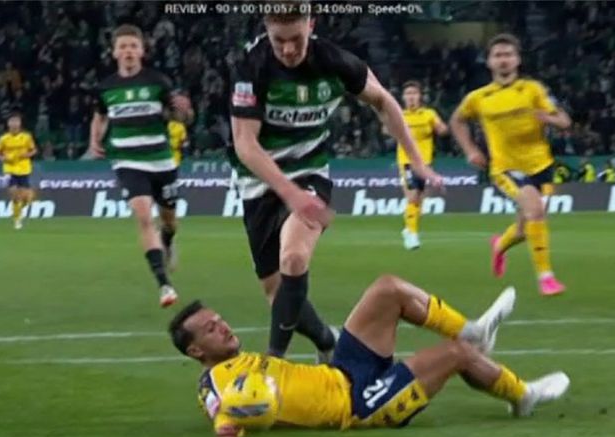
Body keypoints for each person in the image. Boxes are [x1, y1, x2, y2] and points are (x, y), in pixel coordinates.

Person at [230, 4, 444, 361]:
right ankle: (327, 340)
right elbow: (245, 144)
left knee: (294, 257)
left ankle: (273, 362)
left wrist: (418, 163)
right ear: (266, 30)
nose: (288, 49)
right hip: (258, 180)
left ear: (310, 25)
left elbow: (384, 102)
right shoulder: (251, 68)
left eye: (296, 39)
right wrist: (289, 193)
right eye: (279, 41)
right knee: (276, 293)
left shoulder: (335, 61)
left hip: (309, 171)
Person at [169, 275, 569, 437]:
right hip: (357, 404)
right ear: (196, 351)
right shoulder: (215, 381)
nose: (223, 327)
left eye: (219, 320)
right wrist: (226, 425)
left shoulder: (238, 361)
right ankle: (522, 396)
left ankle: (475, 331)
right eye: (211, 329)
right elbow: (219, 407)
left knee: (387, 289)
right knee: (455, 355)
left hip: (342, 372)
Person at [451, 33, 572, 296]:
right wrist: (470, 150)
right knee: (535, 211)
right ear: (489, 62)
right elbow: (457, 121)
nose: (503, 60)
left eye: (508, 54)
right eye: (498, 55)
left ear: (517, 60)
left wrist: (549, 119)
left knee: (524, 228)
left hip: (541, 165)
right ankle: (546, 278)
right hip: (506, 168)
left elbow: (564, 121)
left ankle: (499, 245)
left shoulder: (533, 90)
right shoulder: (479, 97)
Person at [87, 25, 194, 308]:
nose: (128, 51)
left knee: (168, 220)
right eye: (123, 46)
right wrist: (94, 141)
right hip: (127, 161)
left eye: (133, 46)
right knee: (144, 217)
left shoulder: (158, 81)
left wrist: (184, 112)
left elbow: (179, 116)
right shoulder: (106, 87)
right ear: (114, 52)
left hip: (161, 160)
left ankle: (168, 240)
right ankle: (164, 285)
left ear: (142, 51)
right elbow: (99, 116)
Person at [395, 80, 448, 250]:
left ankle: (409, 228)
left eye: (414, 93)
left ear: (420, 96)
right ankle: (412, 234)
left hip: (425, 164)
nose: (411, 97)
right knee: (413, 195)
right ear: (403, 97)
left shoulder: (429, 114)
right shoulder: (399, 114)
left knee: (420, 202)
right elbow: (386, 129)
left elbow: (442, 129)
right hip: (407, 162)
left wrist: (440, 128)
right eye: (408, 94)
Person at [0, 112, 38, 230]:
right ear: (8, 124)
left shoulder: (26, 137)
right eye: (12, 121)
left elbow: (34, 150)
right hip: (9, 169)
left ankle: (18, 210)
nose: (14, 124)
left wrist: (26, 155)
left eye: (16, 121)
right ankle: (17, 219)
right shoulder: (3, 139)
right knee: (14, 194)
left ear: (20, 123)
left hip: (24, 169)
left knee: (27, 198)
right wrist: (3, 158)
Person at [166, 117, 189, 270]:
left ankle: (168, 238)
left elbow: (184, 144)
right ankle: (166, 238)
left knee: (168, 205)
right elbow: (184, 145)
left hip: (172, 166)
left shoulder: (179, 127)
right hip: (165, 165)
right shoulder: (172, 127)